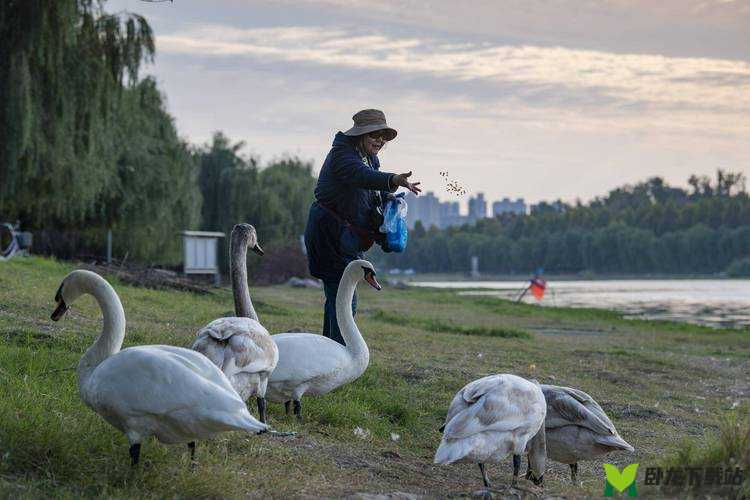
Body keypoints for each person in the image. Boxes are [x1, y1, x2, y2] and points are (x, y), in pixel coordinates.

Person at [304, 109, 421, 345]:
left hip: (346, 240)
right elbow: (360, 176)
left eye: (383, 137)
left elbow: (368, 192)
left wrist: (388, 201)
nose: (380, 141)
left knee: (339, 299)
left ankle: (331, 353)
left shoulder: (368, 158)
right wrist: (393, 179)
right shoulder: (342, 155)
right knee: (344, 300)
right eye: (374, 135)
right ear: (360, 135)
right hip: (329, 237)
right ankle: (338, 356)